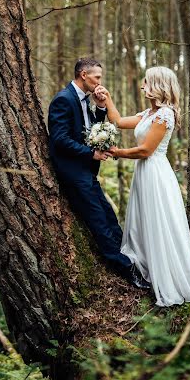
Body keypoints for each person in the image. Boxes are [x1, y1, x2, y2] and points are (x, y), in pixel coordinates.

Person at [100, 66, 190, 307]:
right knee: (144, 221)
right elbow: (118, 121)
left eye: (147, 82)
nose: (142, 86)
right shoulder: (148, 114)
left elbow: (145, 150)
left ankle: (168, 277)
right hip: (145, 174)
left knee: (159, 222)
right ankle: (148, 268)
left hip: (156, 174)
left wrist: (118, 152)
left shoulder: (165, 115)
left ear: (158, 86)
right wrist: (107, 98)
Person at [48, 57, 150, 289]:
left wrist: (101, 107)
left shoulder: (84, 98)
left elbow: (90, 127)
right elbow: (59, 139)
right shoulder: (63, 100)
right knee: (98, 221)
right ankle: (126, 269)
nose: (100, 81)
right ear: (83, 75)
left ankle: (130, 258)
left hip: (86, 171)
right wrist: (90, 153)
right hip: (73, 171)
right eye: (97, 77)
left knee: (109, 216)